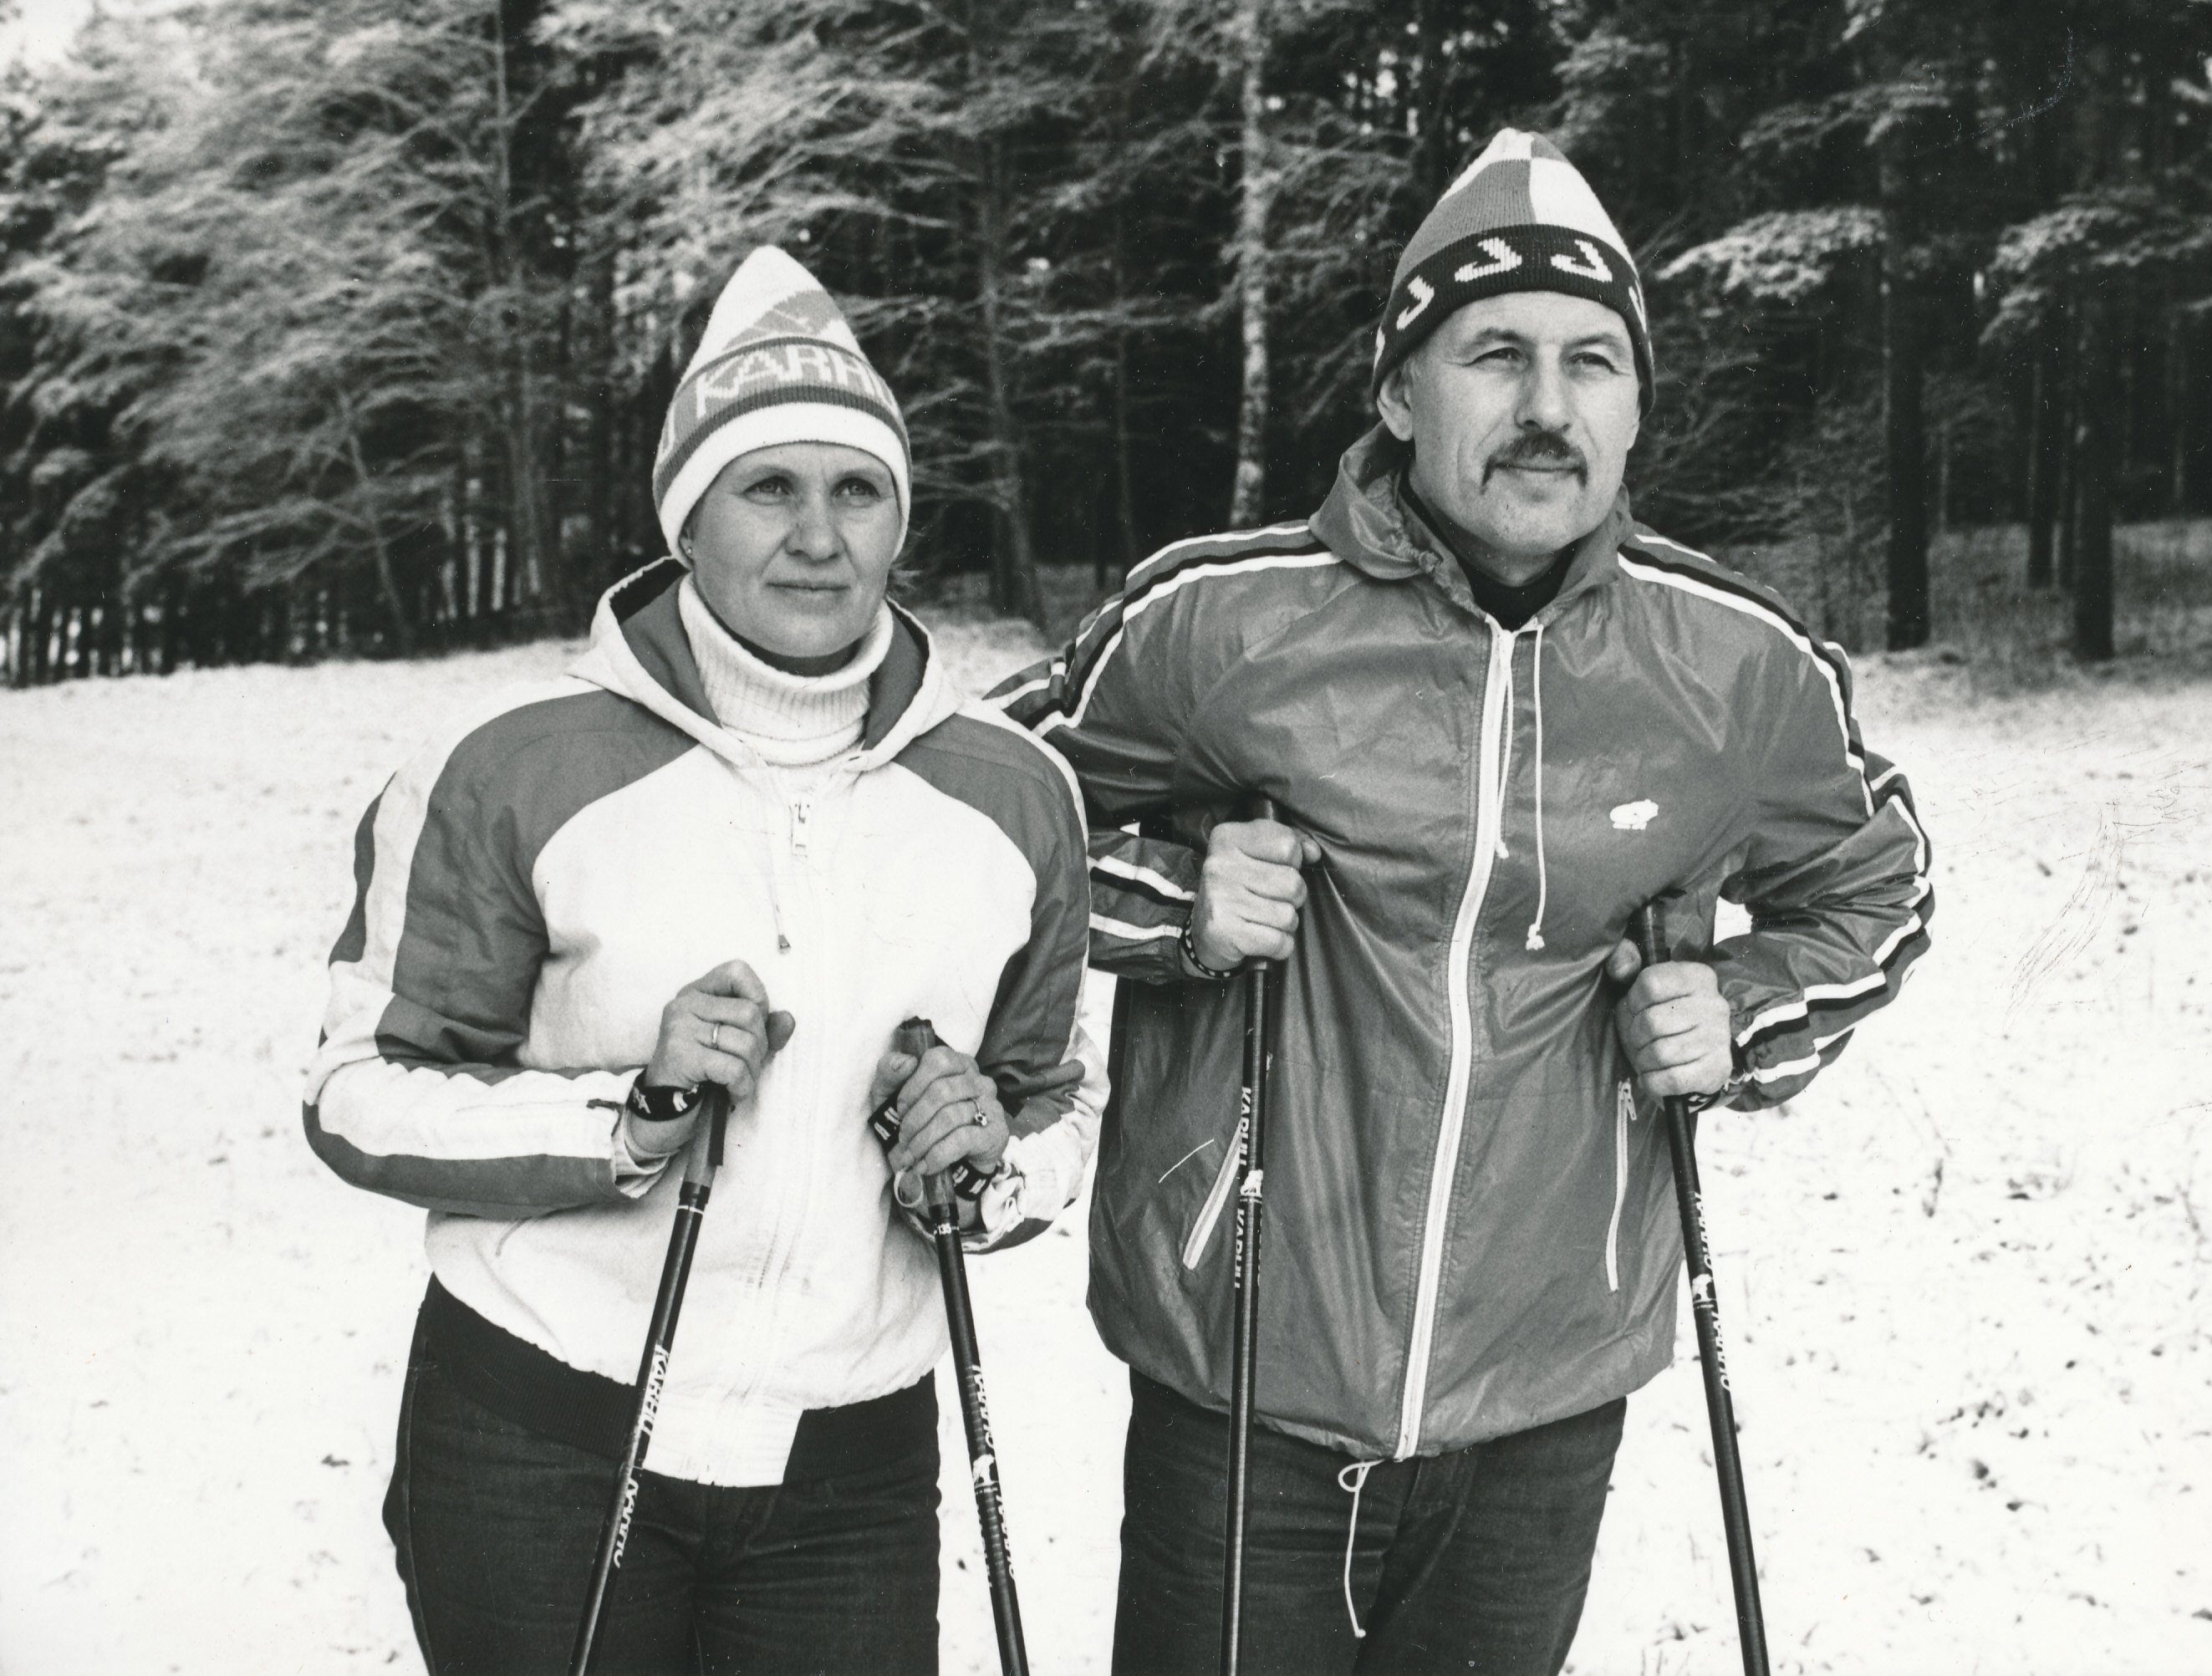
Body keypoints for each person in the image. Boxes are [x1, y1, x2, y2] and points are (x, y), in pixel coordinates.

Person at [993, 130, 1933, 1674]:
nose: (1548, 407)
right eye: (1495, 353)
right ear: (1397, 393)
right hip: (1243, 1388)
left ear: (1638, 405)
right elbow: (983, 810)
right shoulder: (1214, 619)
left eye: (1593, 363)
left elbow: (1876, 876)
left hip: (1544, 1408)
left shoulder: (1734, 665)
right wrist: (1169, 898)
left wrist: (1747, 1011)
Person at [306, 246, 1103, 1674]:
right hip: (544, 1425)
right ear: (687, 518)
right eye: (768, 487)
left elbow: (1058, 1101)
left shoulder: (1014, 793)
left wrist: (983, 1157)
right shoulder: (510, 768)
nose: (819, 536)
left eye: (857, 489)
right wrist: (631, 1109)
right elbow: (359, 1089)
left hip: (845, 1465)